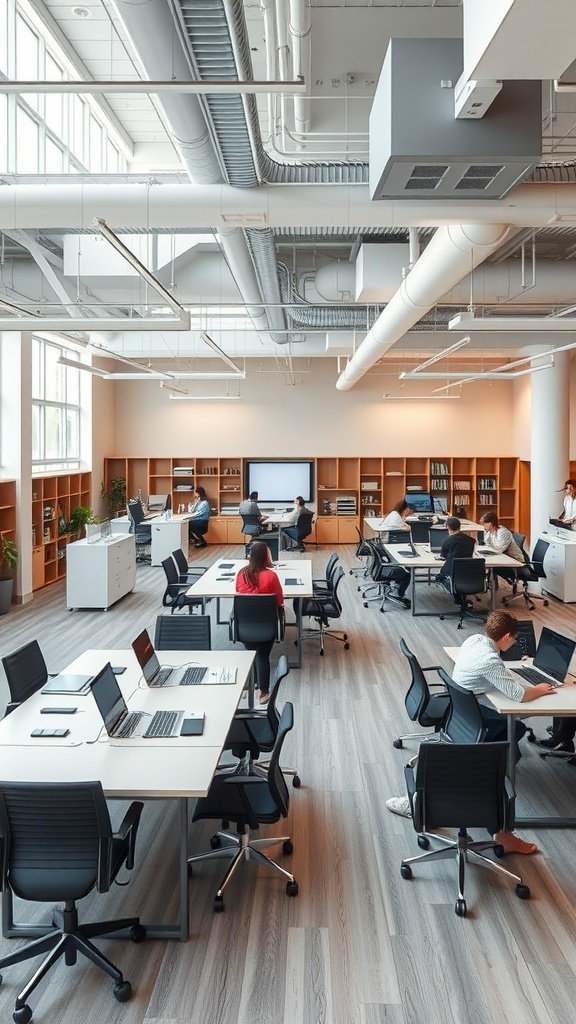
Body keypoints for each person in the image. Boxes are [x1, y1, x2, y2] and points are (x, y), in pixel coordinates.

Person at [387, 611, 556, 855]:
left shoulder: (474, 641)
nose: (515, 643)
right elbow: (520, 695)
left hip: (460, 715)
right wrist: (539, 688)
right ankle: (501, 832)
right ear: (506, 636)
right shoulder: (490, 659)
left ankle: (439, 809)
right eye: (514, 639)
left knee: (514, 736)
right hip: (473, 720)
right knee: (504, 754)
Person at [235, 541, 284, 704]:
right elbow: (279, 601)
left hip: (245, 625)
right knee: (262, 655)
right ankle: (262, 692)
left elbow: (239, 596)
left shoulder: (241, 573)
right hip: (267, 625)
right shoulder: (271, 576)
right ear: (265, 556)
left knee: (252, 653)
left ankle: (251, 686)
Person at [435, 515, 475, 603]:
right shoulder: (471, 540)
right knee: (459, 577)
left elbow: (444, 556)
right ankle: (461, 598)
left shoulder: (447, 541)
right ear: (459, 527)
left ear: (448, 528)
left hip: (451, 571)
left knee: (439, 577)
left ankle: (457, 596)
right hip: (468, 572)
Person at [479, 510, 523, 586]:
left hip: (514, 560)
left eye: (484, 524)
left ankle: (510, 578)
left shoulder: (503, 533)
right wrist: (487, 537)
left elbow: (499, 550)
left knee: (492, 567)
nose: (483, 527)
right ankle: (490, 586)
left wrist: (488, 543)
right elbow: (487, 544)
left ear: (490, 523)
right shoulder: (490, 532)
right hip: (504, 557)